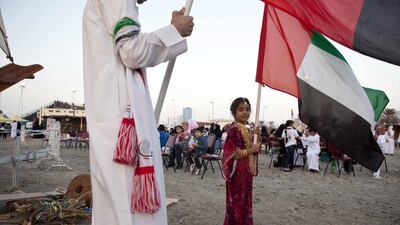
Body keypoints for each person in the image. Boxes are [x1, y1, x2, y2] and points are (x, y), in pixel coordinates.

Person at [83, 0, 194, 224]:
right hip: (122, 124)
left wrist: (173, 31)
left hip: (116, 119)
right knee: (128, 211)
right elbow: (131, 51)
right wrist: (174, 31)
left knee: (115, 209)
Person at [222, 97, 260, 225]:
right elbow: (232, 154)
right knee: (236, 204)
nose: (245, 112)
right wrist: (251, 150)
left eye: (248, 109)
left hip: (246, 172)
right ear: (234, 113)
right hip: (237, 173)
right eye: (241, 109)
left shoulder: (247, 129)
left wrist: (256, 137)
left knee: (245, 203)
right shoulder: (233, 130)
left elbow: (253, 150)